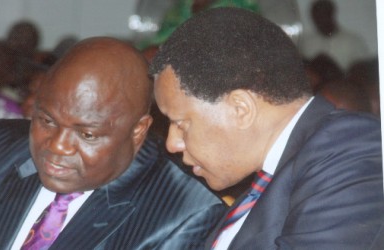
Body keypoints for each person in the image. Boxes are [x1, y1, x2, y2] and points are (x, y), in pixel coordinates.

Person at [150, 7, 384, 250]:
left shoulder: (349, 149)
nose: (171, 143)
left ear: (241, 109)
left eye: (180, 123)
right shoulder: (268, 179)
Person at [0, 37, 225, 249]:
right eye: (47, 121)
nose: (57, 146)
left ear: (138, 131)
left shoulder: (183, 213)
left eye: (87, 134)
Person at [299, 0, 369, 72]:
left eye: (323, 14)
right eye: (316, 15)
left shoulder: (353, 41)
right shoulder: (305, 42)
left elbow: (363, 71)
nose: (319, 19)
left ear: (331, 14)